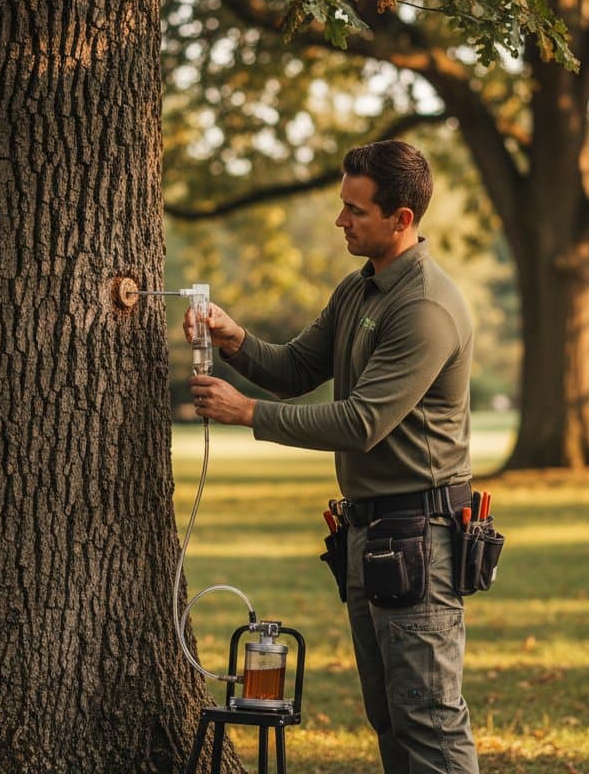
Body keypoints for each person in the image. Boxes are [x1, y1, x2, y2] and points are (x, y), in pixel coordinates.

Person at [186, 140, 480, 774]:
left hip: (418, 538)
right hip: (369, 534)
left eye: (356, 210)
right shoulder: (359, 289)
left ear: (402, 219)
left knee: (428, 718)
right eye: (342, 206)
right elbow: (296, 368)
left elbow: (362, 421)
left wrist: (248, 414)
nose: (341, 221)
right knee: (390, 718)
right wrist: (232, 338)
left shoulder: (424, 306)